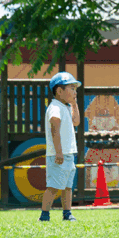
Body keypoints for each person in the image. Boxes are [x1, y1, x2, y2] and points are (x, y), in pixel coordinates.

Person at [40, 72, 82, 222]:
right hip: (59, 155)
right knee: (53, 186)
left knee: (67, 187)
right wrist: (58, 152)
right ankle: (44, 215)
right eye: (71, 88)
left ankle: (67, 213)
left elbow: (76, 122)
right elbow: (54, 128)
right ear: (59, 91)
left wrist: (75, 104)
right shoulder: (55, 107)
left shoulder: (65, 107)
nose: (75, 91)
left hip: (69, 153)